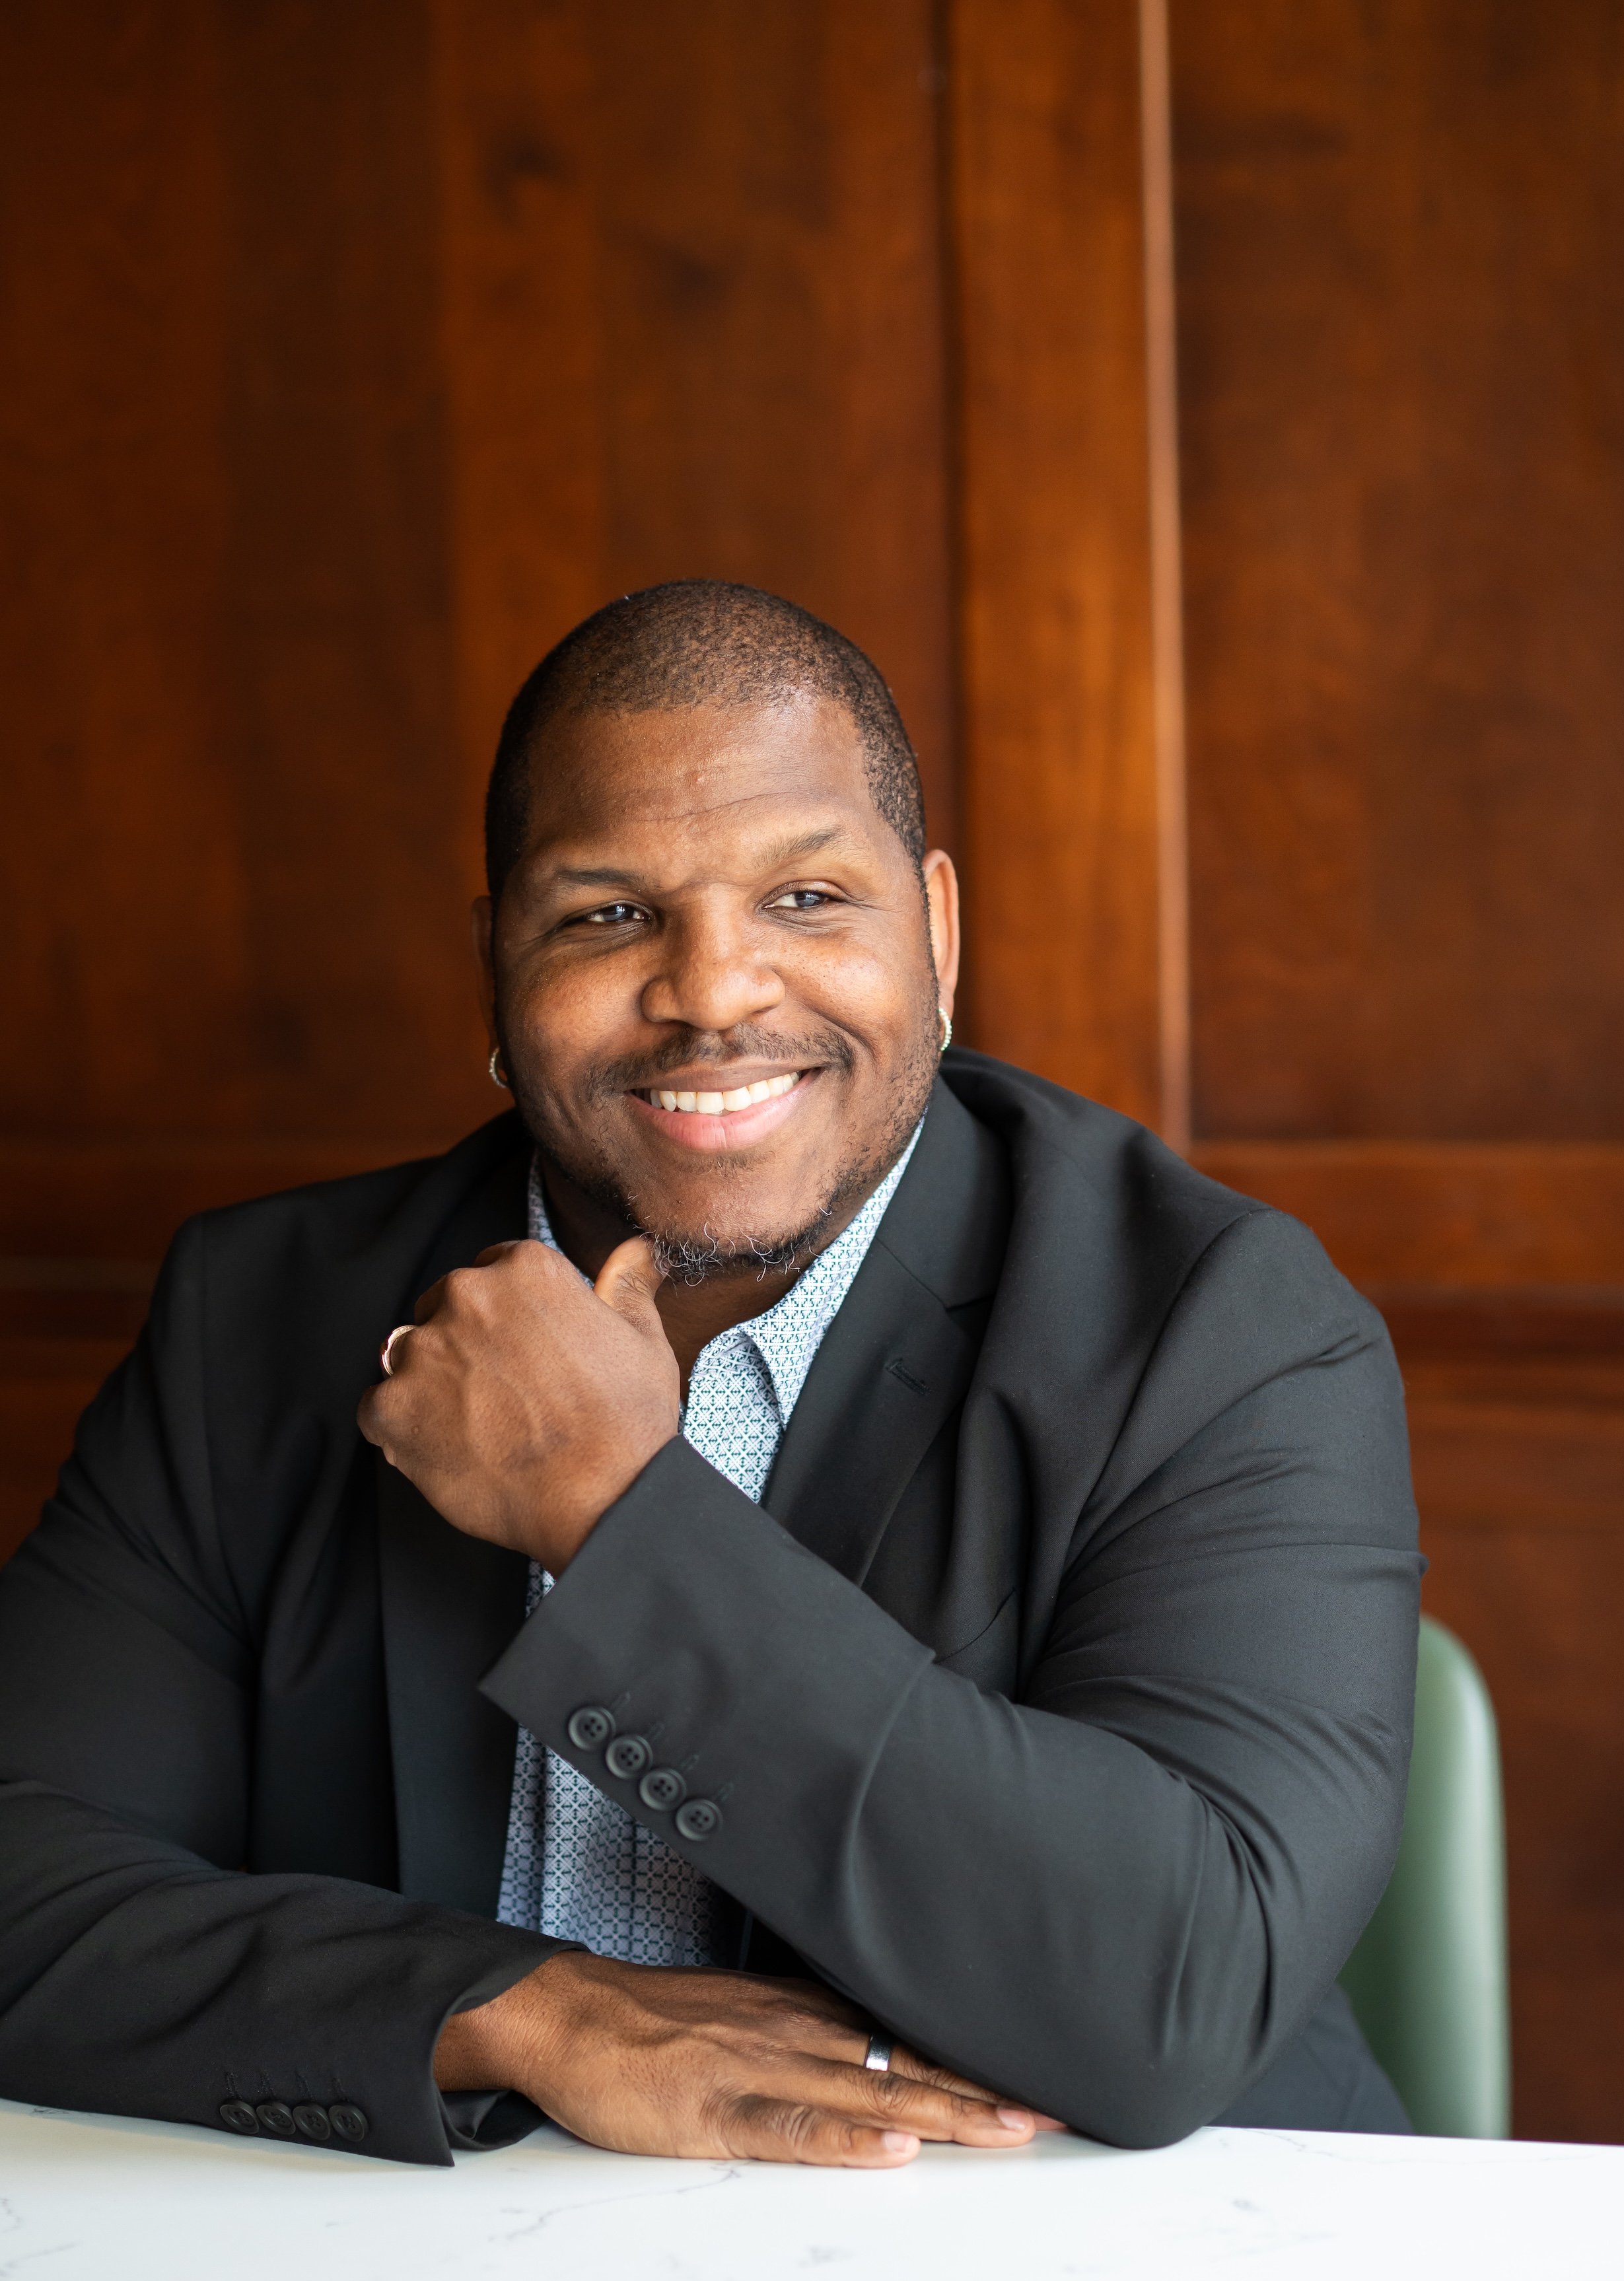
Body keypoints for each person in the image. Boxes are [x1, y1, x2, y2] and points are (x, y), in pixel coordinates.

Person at [0, 580, 1421, 2169]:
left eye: (807, 899)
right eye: (607, 914)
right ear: (494, 964)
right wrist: (528, 2008)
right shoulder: (260, 1315)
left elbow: (1169, 1985)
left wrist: (610, 1514)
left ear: (936, 934)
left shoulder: (1217, 1328)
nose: (714, 992)